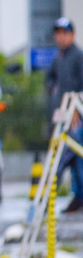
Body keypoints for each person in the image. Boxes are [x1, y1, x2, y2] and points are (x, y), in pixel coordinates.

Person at [46, 17, 83, 213]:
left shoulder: (78, 56)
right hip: (61, 116)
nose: (61, 36)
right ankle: (77, 198)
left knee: (74, 157)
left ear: (72, 34)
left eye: (65, 33)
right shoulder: (58, 58)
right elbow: (50, 80)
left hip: (75, 117)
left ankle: (75, 198)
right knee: (70, 160)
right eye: (58, 33)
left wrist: (76, 109)